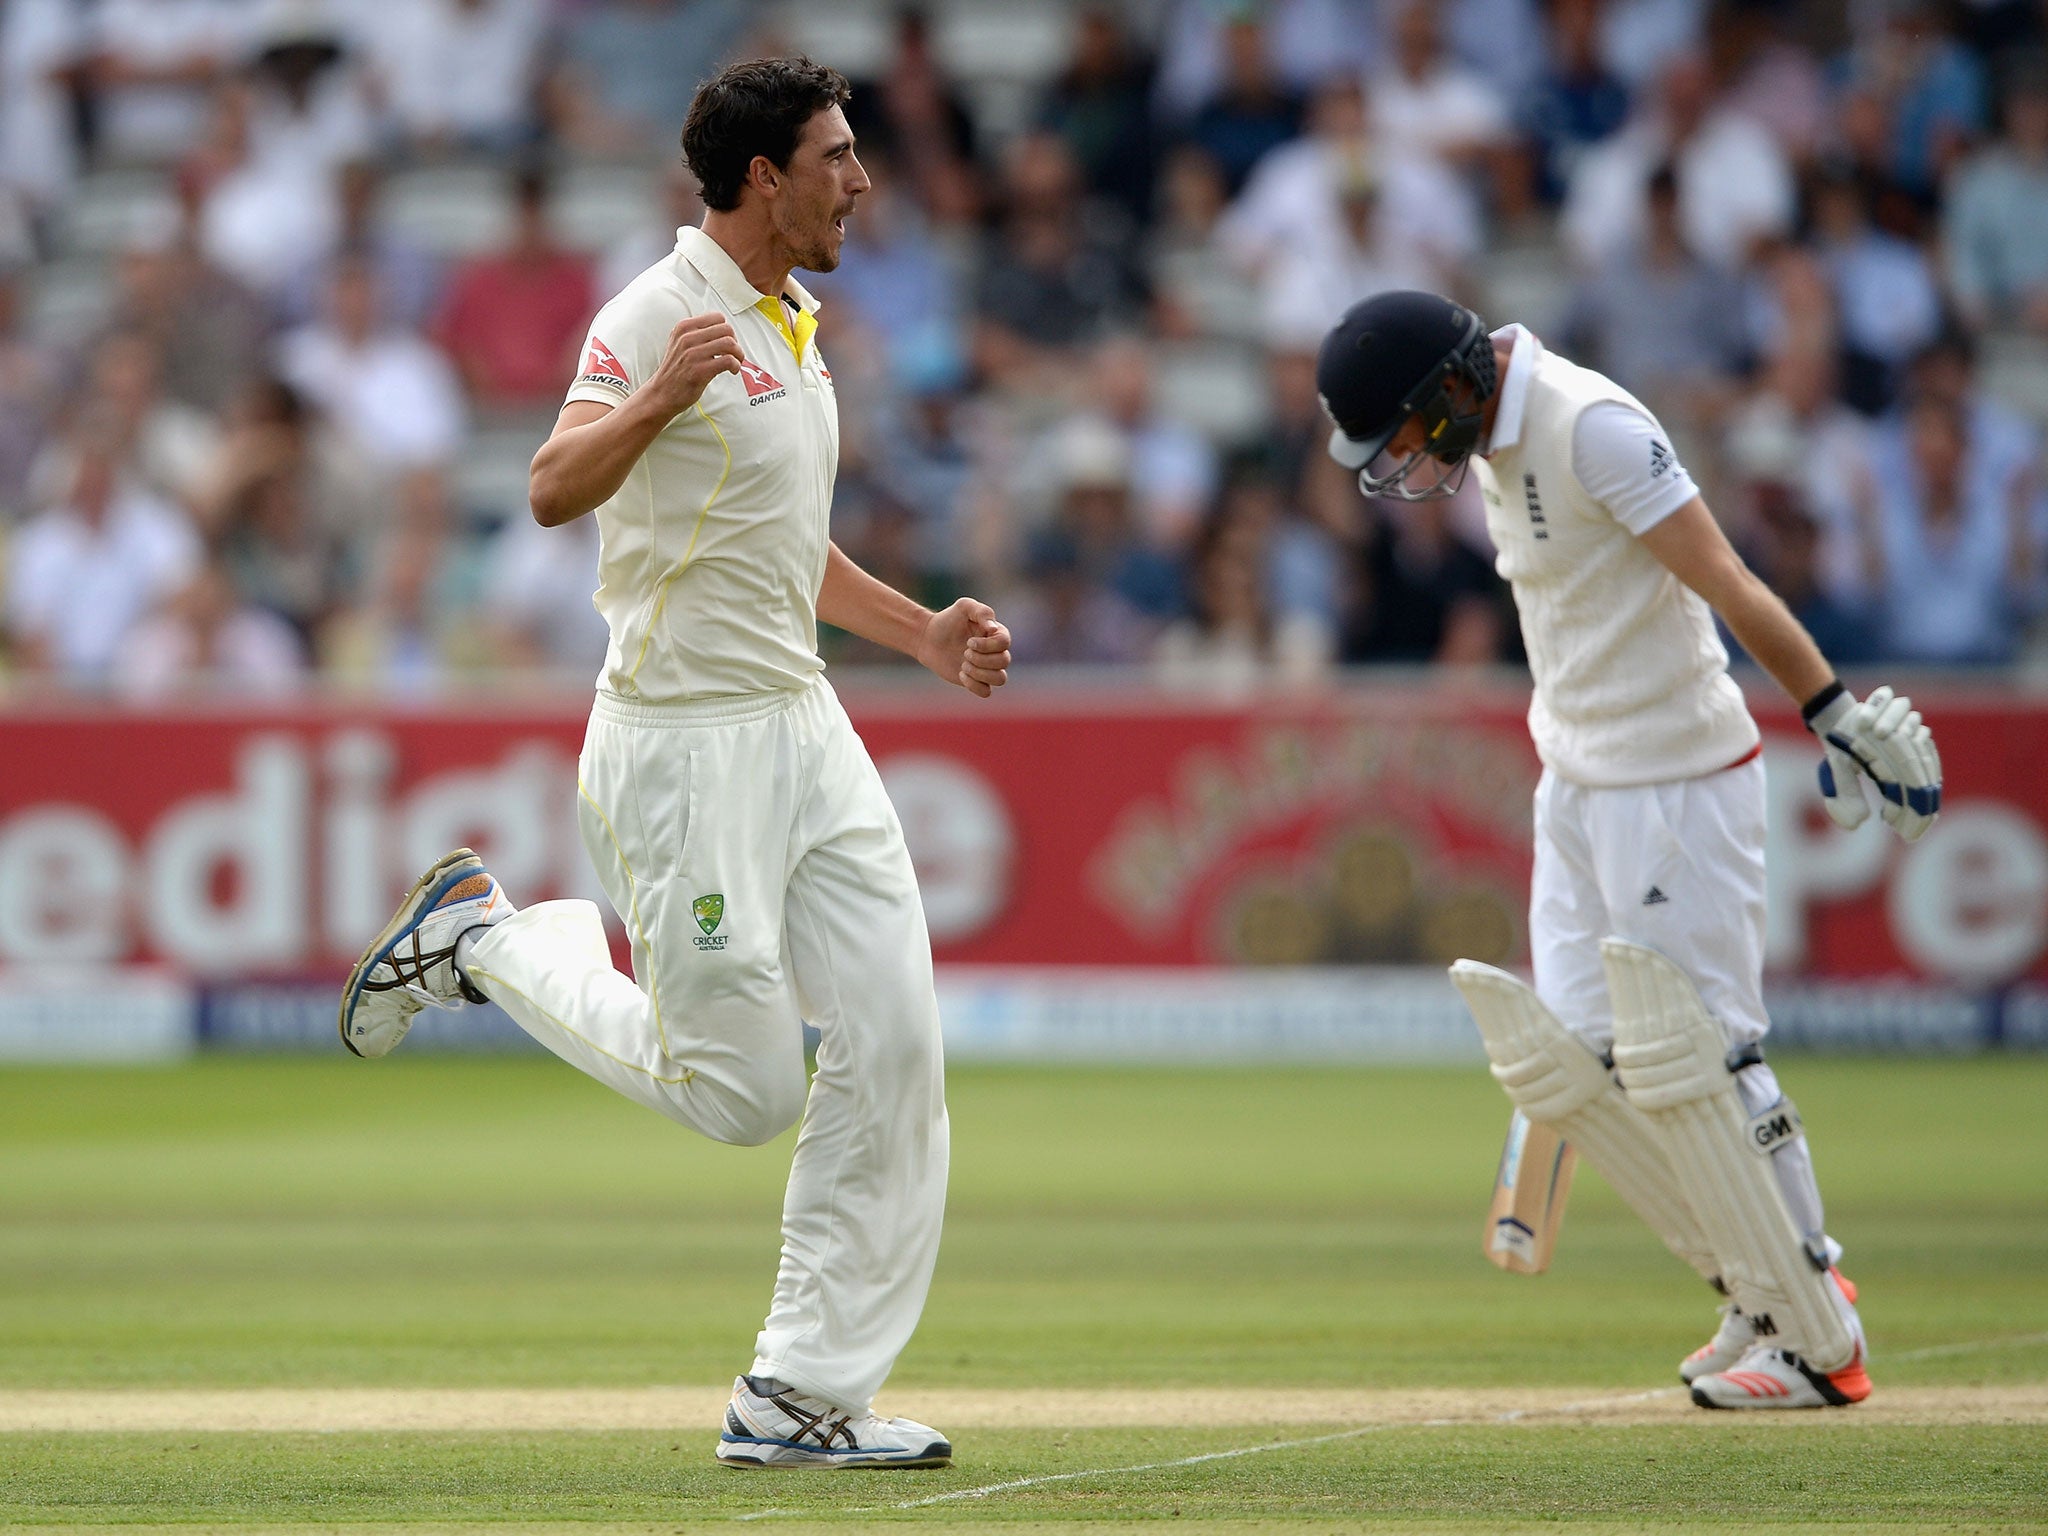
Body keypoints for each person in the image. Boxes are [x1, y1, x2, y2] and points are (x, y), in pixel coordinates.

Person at [336, 57, 1010, 1469]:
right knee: (746, 1094)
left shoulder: (792, 316)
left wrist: (921, 635)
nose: (860, 180)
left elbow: (782, 538)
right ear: (763, 177)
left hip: (804, 724)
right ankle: (489, 942)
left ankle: (802, 1397)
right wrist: (655, 400)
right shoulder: (661, 314)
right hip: (682, 745)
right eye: (834, 157)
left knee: (893, 1042)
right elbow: (547, 486)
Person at [1317, 291, 1941, 1411]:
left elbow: (1724, 578)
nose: (1404, 461)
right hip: (1577, 775)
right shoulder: (1494, 444)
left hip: (1675, 779)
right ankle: (1756, 1296)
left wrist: (1827, 706)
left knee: (1704, 1056)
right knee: (1577, 1061)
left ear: (1452, 387)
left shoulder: (1587, 422)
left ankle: (1819, 1336)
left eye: (1405, 435)